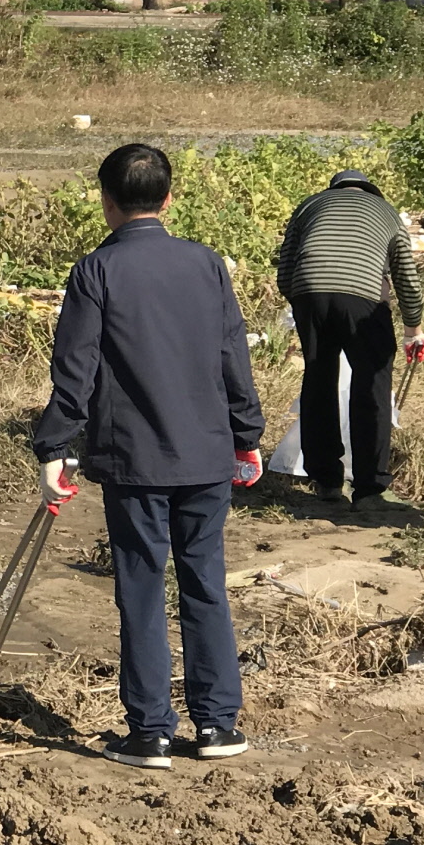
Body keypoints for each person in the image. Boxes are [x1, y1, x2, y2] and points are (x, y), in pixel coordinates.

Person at [31, 144, 265, 772]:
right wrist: (247, 432)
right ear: (168, 198)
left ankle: (152, 732)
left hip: (135, 459)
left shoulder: (95, 271)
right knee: (204, 584)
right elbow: (231, 355)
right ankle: (217, 725)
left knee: (139, 587)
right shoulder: (207, 264)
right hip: (208, 452)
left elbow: (74, 371)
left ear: (107, 202)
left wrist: (55, 445)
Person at [275, 169, 424, 508]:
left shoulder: (310, 205)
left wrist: (304, 302)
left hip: (309, 291)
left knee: (319, 377)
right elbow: (406, 276)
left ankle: (327, 482)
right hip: (363, 298)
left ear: (334, 188)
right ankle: (370, 488)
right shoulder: (385, 212)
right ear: (370, 190)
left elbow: (285, 268)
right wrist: (413, 328)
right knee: (371, 383)